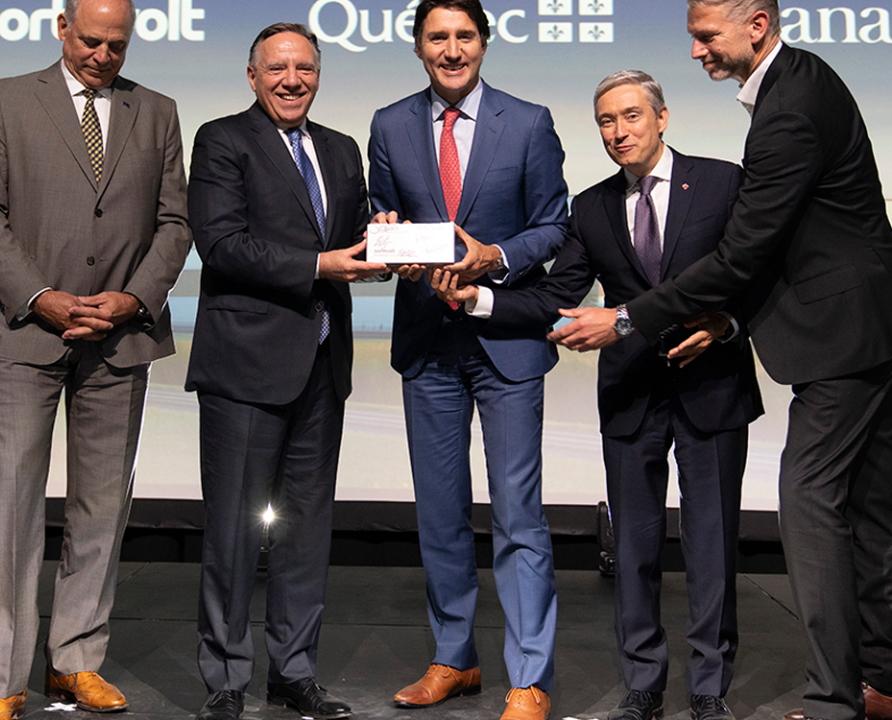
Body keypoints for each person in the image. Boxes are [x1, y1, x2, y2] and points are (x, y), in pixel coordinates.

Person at [557, 4, 892, 720]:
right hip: (855, 332)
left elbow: (744, 255)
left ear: (758, 26)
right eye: (605, 121)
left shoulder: (785, 111)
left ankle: (836, 701)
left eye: (706, 35)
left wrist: (625, 318)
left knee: (810, 509)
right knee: (866, 510)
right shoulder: (796, 85)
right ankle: (882, 679)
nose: (696, 48)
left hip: (838, 336)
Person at [433, 69, 764, 720]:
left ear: (662, 118)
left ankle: (707, 690)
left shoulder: (724, 182)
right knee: (635, 549)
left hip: (713, 387)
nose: (619, 132)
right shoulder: (590, 207)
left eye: (631, 116)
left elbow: (754, 272)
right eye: (607, 122)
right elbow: (557, 299)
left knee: (711, 546)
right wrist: (481, 300)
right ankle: (642, 687)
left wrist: (727, 324)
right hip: (632, 394)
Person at [0, 0, 191, 718]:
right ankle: (3, 680)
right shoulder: (3, 100)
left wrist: (132, 299)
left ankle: (76, 660)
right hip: (27, 331)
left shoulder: (157, 110)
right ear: (61, 27)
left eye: (116, 44)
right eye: (91, 40)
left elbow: (175, 222)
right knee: (12, 500)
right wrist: (43, 295)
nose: (102, 55)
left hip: (119, 337)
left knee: (101, 506)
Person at [367, 1, 568, 718]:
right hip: (428, 341)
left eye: (464, 37)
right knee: (440, 514)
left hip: (507, 340)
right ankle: (454, 658)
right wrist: (386, 233)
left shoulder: (531, 121)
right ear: (418, 46)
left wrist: (497, 257)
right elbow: (383, 215)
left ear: (484, 42)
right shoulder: (390, 124)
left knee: (519, 517)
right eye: (437, 38)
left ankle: (529, 676)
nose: (452, 50)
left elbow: (553, 225)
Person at [185, 22, 386, 720]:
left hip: (322, 367)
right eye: (277, 68)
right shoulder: (221, 140)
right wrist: (320, 266)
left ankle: (294, 671)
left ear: (320, 74)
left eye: (304, 67)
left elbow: (355, 232)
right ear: (252, 76)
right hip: (244, 366)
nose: (291, 79)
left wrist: (383, 230)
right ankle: (225, 678)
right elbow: (222, 244)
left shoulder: (339, 148)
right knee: (235, 531)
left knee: (306, 529)